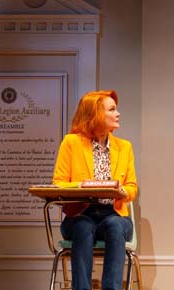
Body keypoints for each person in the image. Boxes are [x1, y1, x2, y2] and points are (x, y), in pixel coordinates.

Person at [53, 90, 137, 290]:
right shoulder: (71, 143)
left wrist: (122, 191)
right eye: (112, 109)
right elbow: (59, 183)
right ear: (96, 114)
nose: (118, 114)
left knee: (116, 227)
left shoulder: (124, 147)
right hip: (80, 214)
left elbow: (132, 187)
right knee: (82, 227)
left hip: (114, 214)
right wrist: (86, 186)